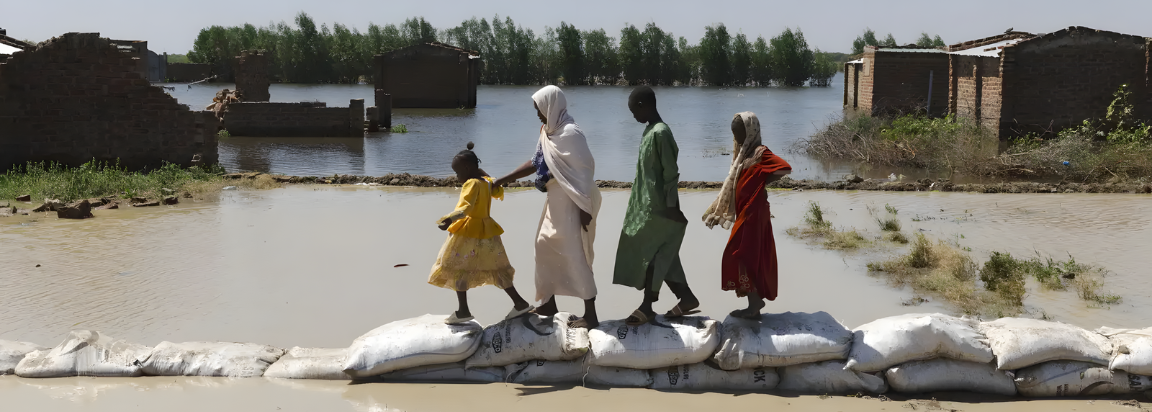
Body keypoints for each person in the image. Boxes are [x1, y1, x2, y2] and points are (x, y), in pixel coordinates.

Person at [493, 85, 602, 329]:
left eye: (540, 109)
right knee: (543, 246)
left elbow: (585, 171)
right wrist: (503, 179)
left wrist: (585, 208)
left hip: (575, 201)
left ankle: (591, 315)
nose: (539, 115)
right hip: (555, 200)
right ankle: (547, 302)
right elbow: (536, 162)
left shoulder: (571, 133)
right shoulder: (548, 132)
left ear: (552, 106)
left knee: (576, 254)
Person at [613, 86, 700, 326]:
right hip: (645, 204)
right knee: (665, 255)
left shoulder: (661, 133)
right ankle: (687, 298)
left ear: (643, 105)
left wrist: (671, 206)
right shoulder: (649, 131)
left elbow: (670, 173)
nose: (634, 117)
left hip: (661, 207)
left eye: (634, 111)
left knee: (652, 254)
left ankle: (647, 306)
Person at [430, 142, 533, 325]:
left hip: (467, 232)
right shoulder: (486, 182)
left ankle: (463, 311)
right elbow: (493, 184)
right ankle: (519, 303)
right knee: (498, 268)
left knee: (456, 267)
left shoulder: (471, 183)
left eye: (458, 172)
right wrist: (480, 171)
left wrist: (449, 219)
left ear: (467, 168)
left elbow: (466, 208)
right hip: (487, 232)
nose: (457, 176)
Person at [702, 112, 792, 320]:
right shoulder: (742, 155)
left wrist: (762, 181)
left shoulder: (761, 152)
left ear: (751, 132)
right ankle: (754, 302)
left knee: (740, 253)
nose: (738, 139)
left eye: (741, 134)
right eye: (735, 135)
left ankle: (754, 303)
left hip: (754, 212)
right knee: (749, 255)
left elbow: (784, 168)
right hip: (746, 211)